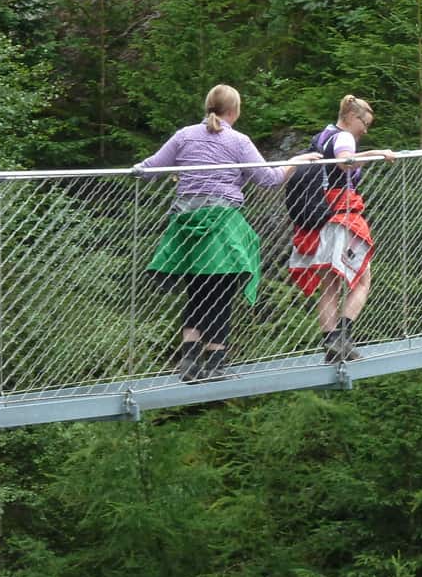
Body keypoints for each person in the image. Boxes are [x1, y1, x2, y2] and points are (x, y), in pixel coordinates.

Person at [137, 84, 320, 382]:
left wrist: (134, 169)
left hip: (186, 223)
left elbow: (150, 167)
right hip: (220, 224)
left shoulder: (184, 135)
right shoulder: (238, 140)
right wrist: (295, 162)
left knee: (197, 291)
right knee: (221, 292)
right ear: (234, 110)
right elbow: (269, 179)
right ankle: (214, 363)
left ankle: (189, 360)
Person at [288, 95, 397, 364]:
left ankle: (330, 343)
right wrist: (377, 153)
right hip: (341, 213)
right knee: (363, 279)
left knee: (329, 285)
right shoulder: (345, 137)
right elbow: (345, 162)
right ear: (351, 118)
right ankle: (343, 336)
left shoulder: (323, 135)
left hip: (320, 214)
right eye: (365, 123)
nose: (365, 130)